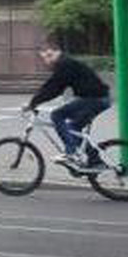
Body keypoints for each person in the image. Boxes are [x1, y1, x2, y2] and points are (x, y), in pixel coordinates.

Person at [23, 42, 110, 170]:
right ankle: (96, 161)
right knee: (74, 129)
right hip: (97, 98)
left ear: (56, 52)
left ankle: (71, 152)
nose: (47, 60)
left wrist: (33, 103)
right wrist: (35, 101)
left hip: (94, 99)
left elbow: (53, 87)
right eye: (45, 57)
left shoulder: (65, 64)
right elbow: (53, 86)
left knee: (57, 115)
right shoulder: (66, 63)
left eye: (49, 55)